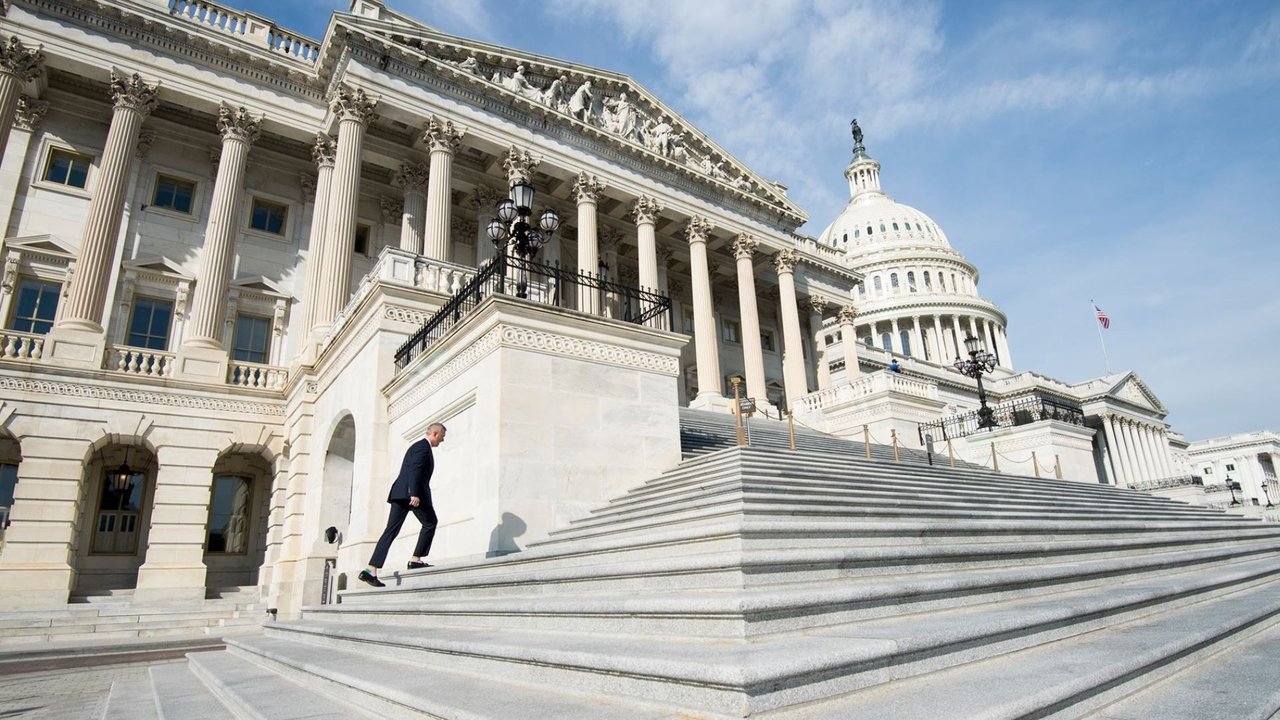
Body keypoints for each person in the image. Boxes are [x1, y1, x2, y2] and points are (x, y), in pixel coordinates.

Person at [358, 423, 447, 587]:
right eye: (442, 437)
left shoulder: (417, 446)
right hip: (411, 494)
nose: (442, 441)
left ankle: (370, 570)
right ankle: (415, 559)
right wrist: (414, 493)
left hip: (400, 494)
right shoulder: (423, 447)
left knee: (390, 530)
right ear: (435, 433)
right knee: (430, 522)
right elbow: (415, 469)